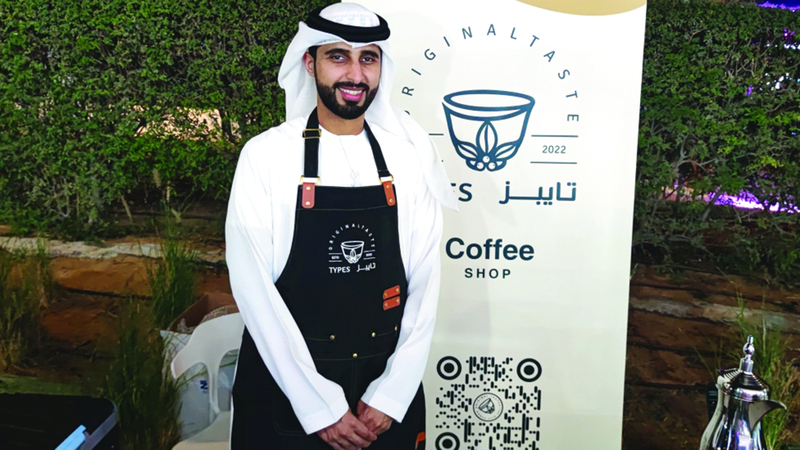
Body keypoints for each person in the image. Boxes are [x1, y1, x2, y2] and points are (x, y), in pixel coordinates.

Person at [224, 3, 457, 449]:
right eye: (338, 57)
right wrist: (319, 405)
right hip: (287, 391)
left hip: (383, 397)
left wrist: (392, 394)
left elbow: (425, 285)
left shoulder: (409, 157)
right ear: (309, 63)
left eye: (368, 58)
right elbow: (254, 291)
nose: (355, 74)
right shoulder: (266, 156)